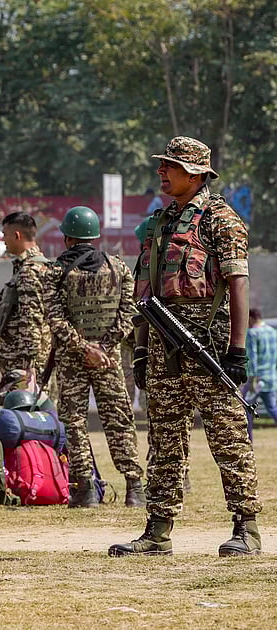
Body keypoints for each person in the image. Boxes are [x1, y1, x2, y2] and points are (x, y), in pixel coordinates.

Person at [111, 136, 261, 557]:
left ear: (194, 174)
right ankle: (157, 532)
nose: (161, 172)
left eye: (170, 166)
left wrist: (236, 350)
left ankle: (246, 529)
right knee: (164, 440)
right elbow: (145, 294)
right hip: (163, 348)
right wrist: (141, 350)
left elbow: (238, 284)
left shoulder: (221, 220)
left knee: (228, 439)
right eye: (162, 165)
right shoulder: (160, 223)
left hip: (208, 347)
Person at [43, 206, 143, 508]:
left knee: (74, 422)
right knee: (119, 420)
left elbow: (55, 318)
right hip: (109, 358)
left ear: (66, 238)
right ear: (95, 235)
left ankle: (84, 490)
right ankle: (134, 488)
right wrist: (103, 347)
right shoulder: (118, 267)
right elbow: (129, 314)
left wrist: (83, 348)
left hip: (73, 360)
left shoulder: (55, 271)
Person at [0, 212, 51, 406]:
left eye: (4, 234)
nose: (3, 240)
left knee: (25, 409)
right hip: (22, 357)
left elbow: (31, 319)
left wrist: (27, 365)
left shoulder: (30, 271)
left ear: (17, 235)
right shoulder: (32, 267)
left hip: (23, 360)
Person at [246, 309, 277, 423]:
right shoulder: (272, 331)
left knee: (247, 408)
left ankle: (248, 439)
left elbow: (252, 358)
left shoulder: (252, 333)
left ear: (251, 318)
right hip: (271, 377)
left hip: (257, 378)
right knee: (272, 408)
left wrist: (252, 378)